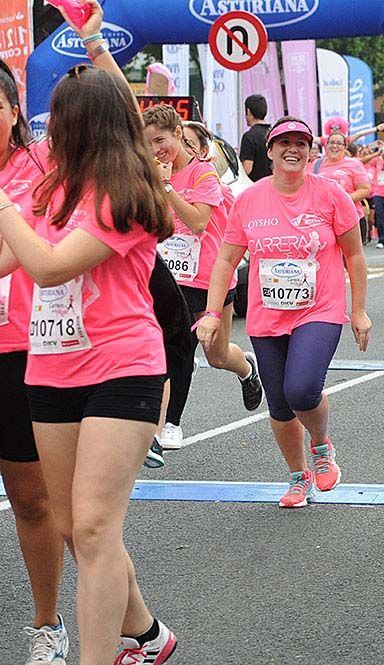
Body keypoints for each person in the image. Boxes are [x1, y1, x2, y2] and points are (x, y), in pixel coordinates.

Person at [0, 5, 178, 661]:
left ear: (82, 129)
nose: (49, 130)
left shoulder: (120, 193)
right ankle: (149, 635)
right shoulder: (51, 191)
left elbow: (44, 265)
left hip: (121, 371)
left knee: (97, 526)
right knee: (76, 527)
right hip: (49, 373)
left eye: (62, 121)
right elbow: (9, 259)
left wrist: (2, 207)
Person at [198, 117, 371, 509]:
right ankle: (298, 477)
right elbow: (226, 259)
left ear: (311, 151)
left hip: (319, 309)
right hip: (267, 313)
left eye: (302, 143)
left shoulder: (330, 194)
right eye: (284, 143)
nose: (293, 149)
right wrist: (211, 312)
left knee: (302, 389)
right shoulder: (250, 199)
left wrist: (358, 310)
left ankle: (322, 444)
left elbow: (355, 254)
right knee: (278, 404)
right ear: (271, 151)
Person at [0, 57, 71, 665]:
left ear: (13, 111)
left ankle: (47, 623)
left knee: (32, 498)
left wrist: (98, 49)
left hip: (23, 347)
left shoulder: (43, 165)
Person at [142, 104, 263, 448]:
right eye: (148, 143)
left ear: (178, 134)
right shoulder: (151, 172)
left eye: (161, 140)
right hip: (170, 274)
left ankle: (246, 369)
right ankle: (167, 425)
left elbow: (198, 222)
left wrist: (167, 188)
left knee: (217, 354)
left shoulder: (202, 175)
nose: (155, 150)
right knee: (173, 347)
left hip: (209, 276)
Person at [313, 129, 372, 242]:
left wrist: (342, 200)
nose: (335, 146)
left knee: (349, 257)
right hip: (324, 220)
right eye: (331, 142)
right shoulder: (316, 164)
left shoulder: (354, 164)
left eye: (339, 143)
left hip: (349, 219)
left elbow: (365, 189)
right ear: (326, 145)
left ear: (345, 147)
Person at [240, 93, 272, 182]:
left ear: (248, 111)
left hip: (255, 187)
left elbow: (247, 169)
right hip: (274, 187)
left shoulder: (249, 137)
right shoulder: (273, 134)